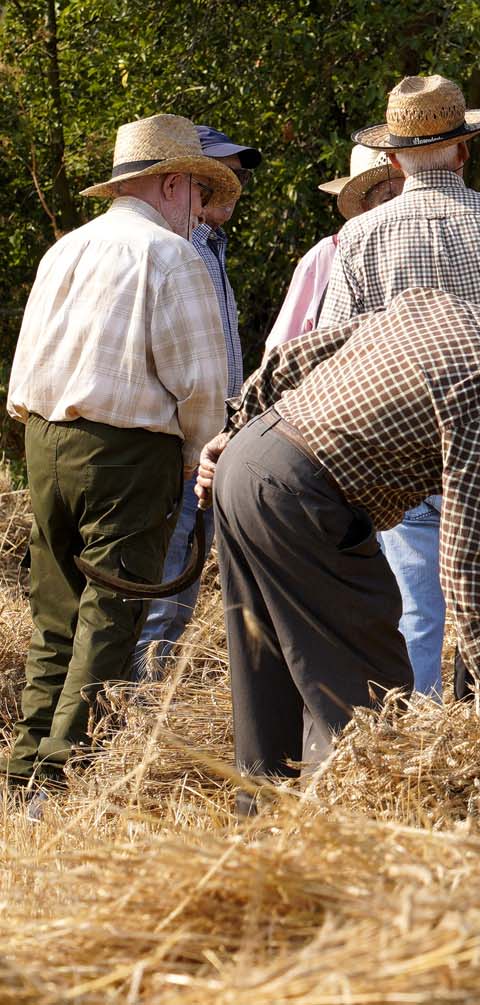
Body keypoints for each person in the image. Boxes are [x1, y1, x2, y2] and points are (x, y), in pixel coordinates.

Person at [197, 281, 480, 811]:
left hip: (250, 462)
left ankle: (260, 829)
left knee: (268, 667)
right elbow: (467, 564)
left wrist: (233, 428)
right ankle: (349, 834)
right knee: (374, 686)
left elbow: (297, 354)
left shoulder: (439, 309)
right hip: (308, 497)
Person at [4, 114, 237, 793]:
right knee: (109, 617)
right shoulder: (172, 256)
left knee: (55, 616)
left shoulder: (66, 250)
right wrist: (197, 458)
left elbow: (26, 363)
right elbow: (201, 384)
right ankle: (60, 778)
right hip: (127, 454)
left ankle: (23, 768)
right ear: (170, 183)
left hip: (44, 438)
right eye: (196, 191)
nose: (198, 209)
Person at [319, 74, 480, 702]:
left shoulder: (362, 238)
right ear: (464, 149)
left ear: (394, 158)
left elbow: (333, 350)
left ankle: (414, 772)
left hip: (403, 445)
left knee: (414, 618)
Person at [131, 124, 261, 682]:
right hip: (184, 444)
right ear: (189, 180)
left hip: (206, 440)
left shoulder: (208, 245)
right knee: (169, 581)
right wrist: (197, 443)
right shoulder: (180, 248)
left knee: (179, 577)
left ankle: (142, 705)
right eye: (222, 170)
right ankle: (136, 711)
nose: (235, 182)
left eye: (238, 171)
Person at [263, 145, 403, 350]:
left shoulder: (422, 247)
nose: (399, 207)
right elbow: (281, 349)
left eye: (405, 195)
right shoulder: (326, 255)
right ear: (365, 207)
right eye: (388, 198)